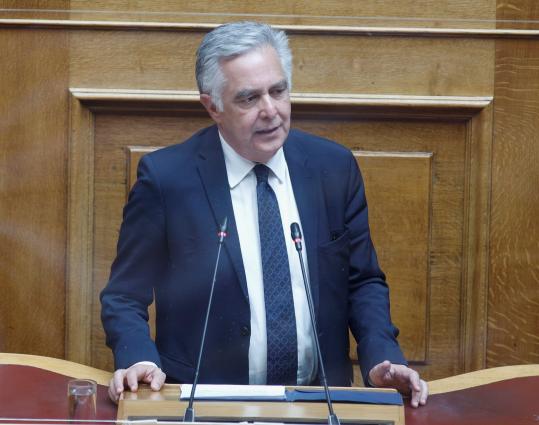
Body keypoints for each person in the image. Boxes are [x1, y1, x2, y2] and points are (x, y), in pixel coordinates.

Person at [100, 21, 428, 408]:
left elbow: (363, 281)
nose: (270, 111)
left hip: (319, 400)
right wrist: (139, 359)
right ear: (213, 106)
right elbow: (124, 295)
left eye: (278, 91)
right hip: (204, 403)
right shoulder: (167, 179)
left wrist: (382, 358)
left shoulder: (333, 168)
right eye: (249, 98)